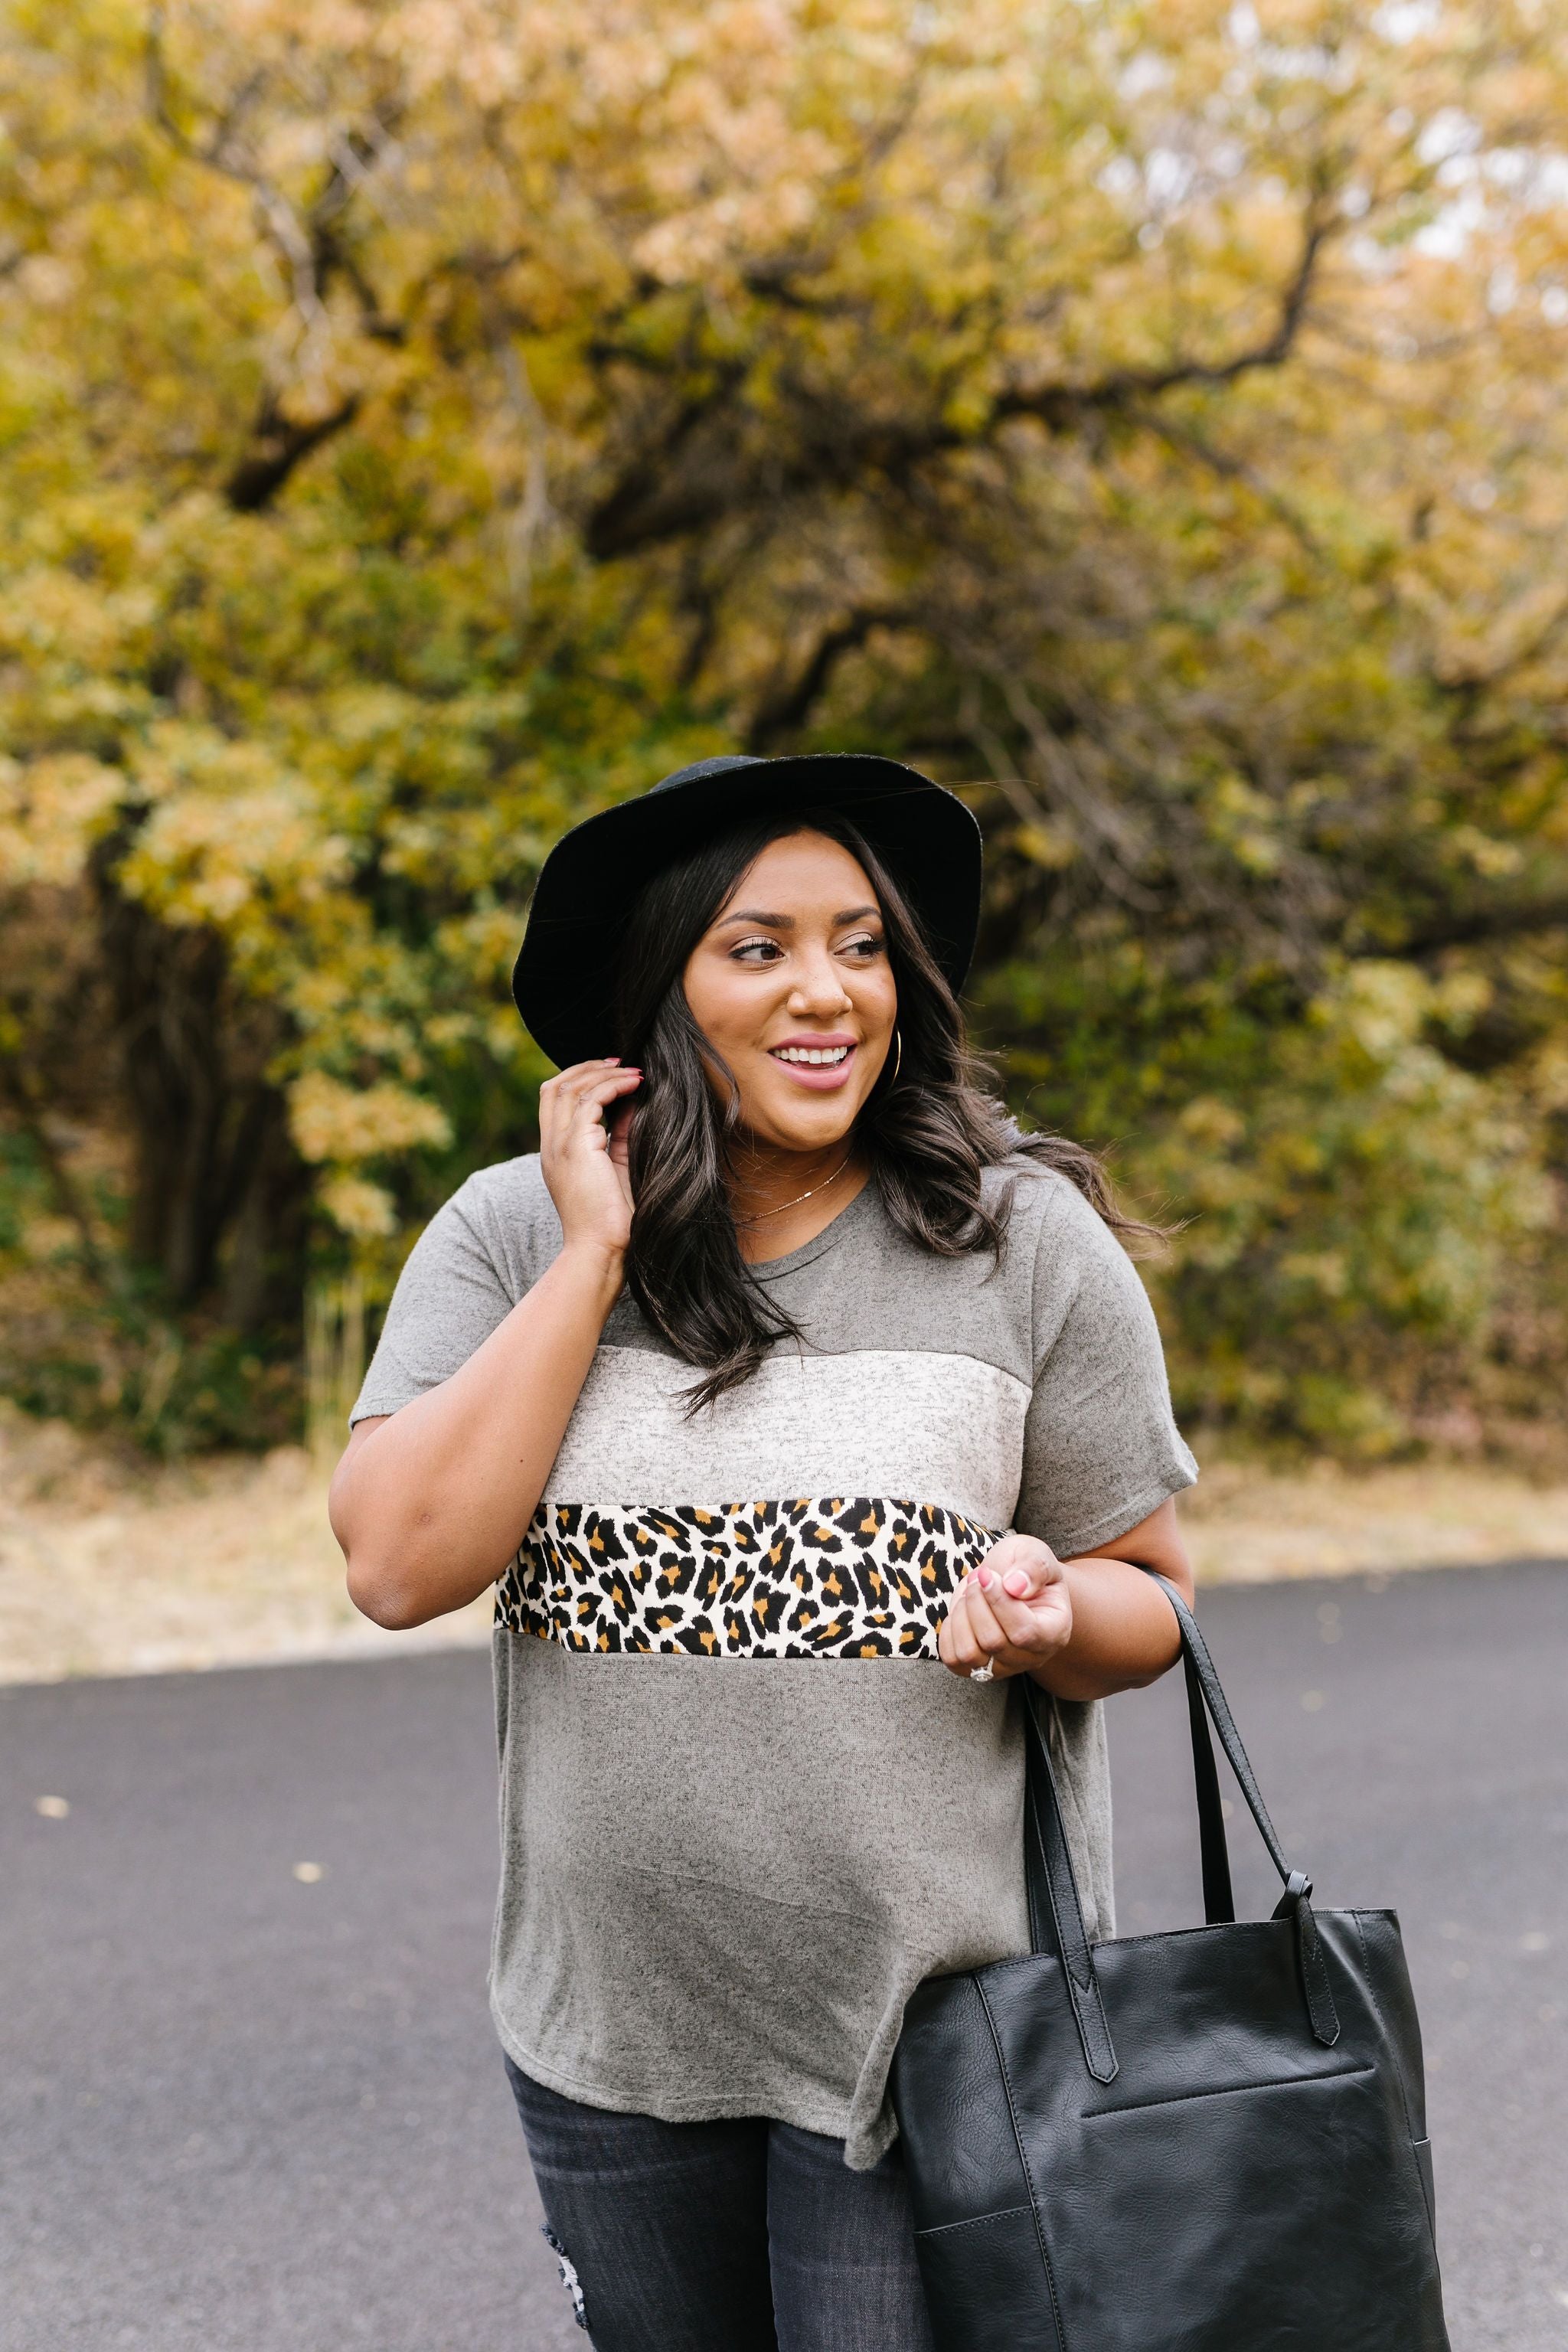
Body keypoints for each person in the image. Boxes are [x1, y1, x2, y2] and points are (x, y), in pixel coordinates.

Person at [329, 752, 1198, 2352]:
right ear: (657, 989)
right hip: (614, 2037)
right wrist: (595, 1255)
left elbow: (1152, 1596)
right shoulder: (509, 1235)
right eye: (759, 948)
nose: (827, 993)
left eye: (861, 946)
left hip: (932, 2037)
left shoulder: (1019, 1243)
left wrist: (1050, 1607)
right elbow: (395, 1566)